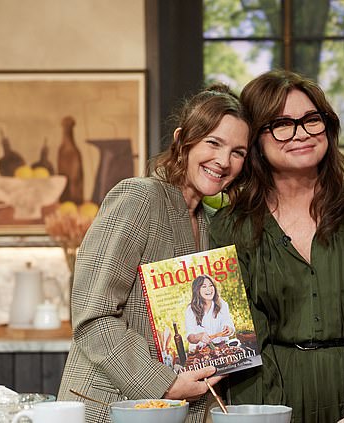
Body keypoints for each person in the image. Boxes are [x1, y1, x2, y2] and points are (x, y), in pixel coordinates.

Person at [209, 70, 344, 423]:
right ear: (256, 138)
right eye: (282, 124)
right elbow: (241, 343)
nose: (301, 134)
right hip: (269, 405)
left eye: (310, 120)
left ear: (327, 126)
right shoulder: (230, 226)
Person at [57, 83, 250, 423]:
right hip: (112, 406)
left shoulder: (212, 224)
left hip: (180, 411)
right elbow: (92, 317)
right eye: (213, 143)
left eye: (238, 152)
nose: (223, 161)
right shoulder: (139, 198)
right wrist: (166, 384)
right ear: (182, 141)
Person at [185, 274, 235, 351]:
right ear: (197, 290)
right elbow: (190, 337)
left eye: (211, 285)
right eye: (204, 286)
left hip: (222, 348)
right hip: (201, 351)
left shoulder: (222, 305)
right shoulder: (191, 309)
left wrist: (229, 329)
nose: (209, 289)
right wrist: (198, 336)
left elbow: (229, 324)